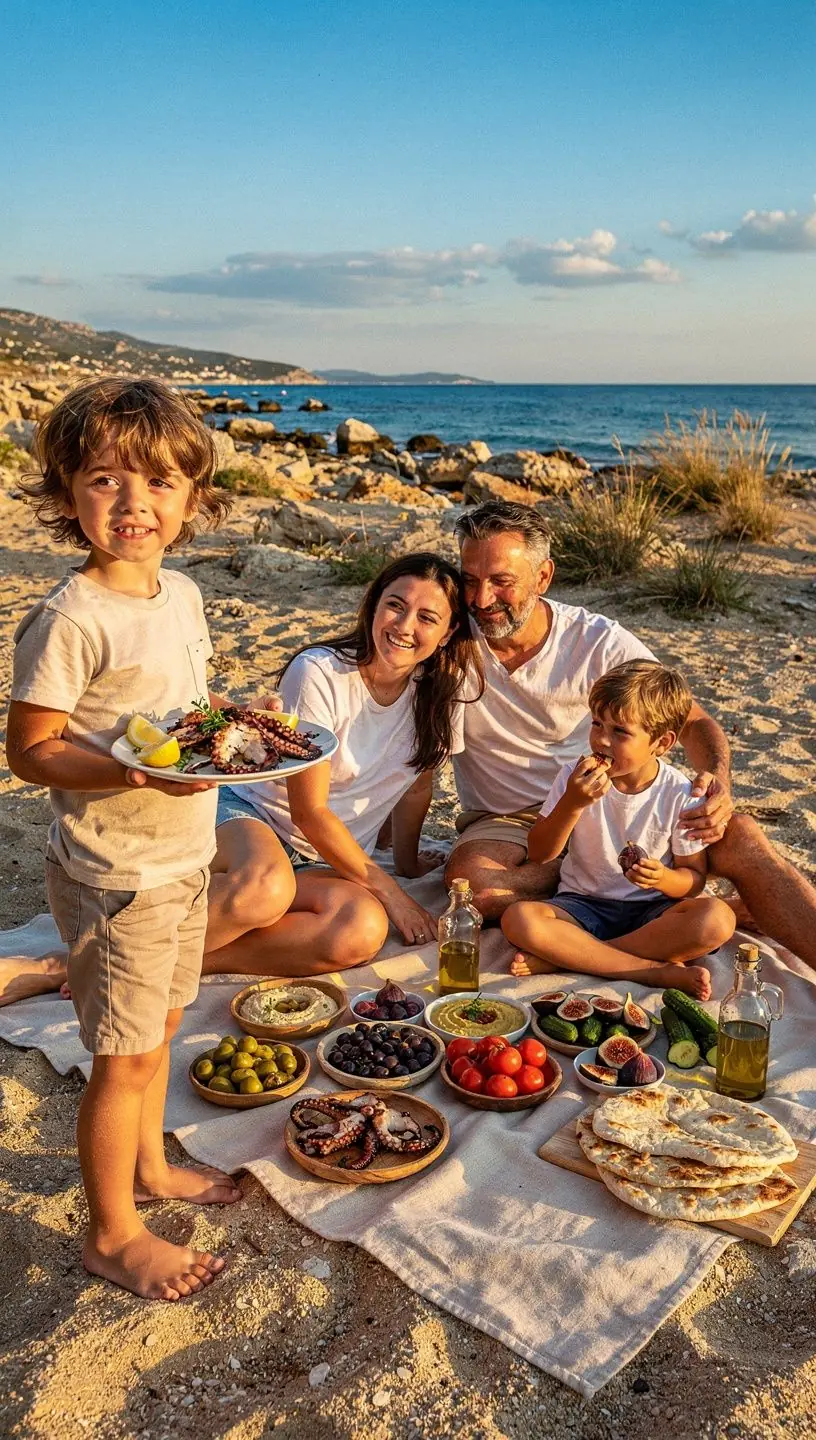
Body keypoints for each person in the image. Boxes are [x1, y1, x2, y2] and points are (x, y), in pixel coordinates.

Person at [5, 377, 241, 1303]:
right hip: (117, 869)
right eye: (105, 480)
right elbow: (31, 750)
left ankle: (149, 1167)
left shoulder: (178, 593)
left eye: (158, 483)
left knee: (165, 1026)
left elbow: (178, 710)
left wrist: (224, 727)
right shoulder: (70, 616)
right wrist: (129, 772)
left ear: (193, 499)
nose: (134, 503)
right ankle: (110, 1233)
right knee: (124, 1053)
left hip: (183, 855)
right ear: (67, 496)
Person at [445, 500, 816, 967]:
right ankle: (631, 898)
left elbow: (693, 721)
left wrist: (717, 783)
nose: (481, 599)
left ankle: (616, 913)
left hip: (628, 802)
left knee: (739, 834)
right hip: (512, 823)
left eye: (502, 581)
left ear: (542, 578)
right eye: (470, 580)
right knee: (475, 886)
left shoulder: (596, 640)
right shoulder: (446, 639)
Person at [200, 552, 482, 977]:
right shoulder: (319, 672)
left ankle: (191, 963)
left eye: (427, 617)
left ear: (447, 633)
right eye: (395, 606)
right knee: (264, 884)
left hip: (324, 861)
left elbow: (415, 785)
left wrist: (405, 867)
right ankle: (104, 962)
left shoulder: (443, 693)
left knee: (362, 929)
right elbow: (308, 812)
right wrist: (395, 894)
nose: (404, 627)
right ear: (374, 606)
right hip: (251, 818)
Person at [502, 659, 736, 994]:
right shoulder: (573, 776)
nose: (602, 741)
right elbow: (540, 853)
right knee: (518, 919)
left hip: (652, 913)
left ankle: (574, 958)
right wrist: (573, 803)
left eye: (620, 732)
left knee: (717, 919)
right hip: (582, 905)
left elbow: (694, 880)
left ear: (662, 743)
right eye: (597, 724)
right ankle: (651, 971)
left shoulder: (680, 794)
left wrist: (663, 878)